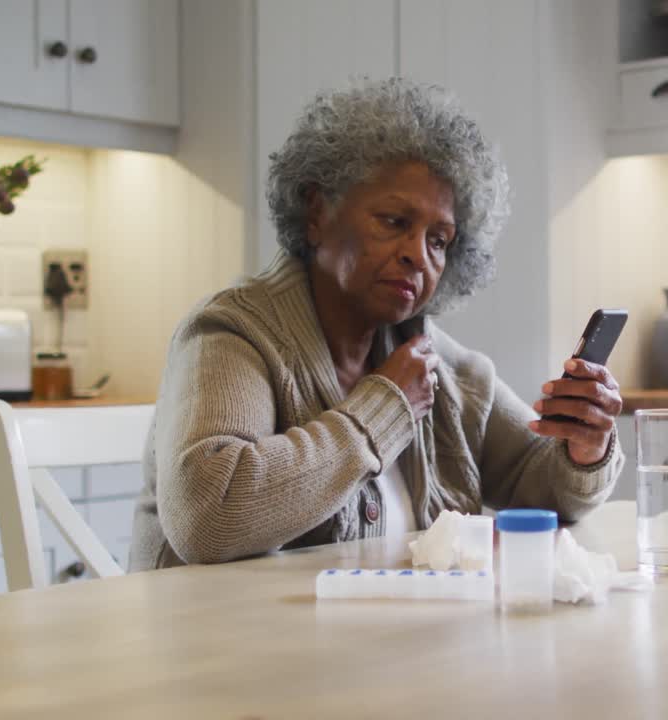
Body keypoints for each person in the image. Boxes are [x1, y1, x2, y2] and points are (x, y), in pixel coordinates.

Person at [129, 78, 623, 571]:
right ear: (317, 212)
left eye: (439, 240)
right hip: (217, 644)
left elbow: (545, 487)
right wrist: (385, 409)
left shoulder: (437, 363)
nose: (417, 254)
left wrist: (584, 449)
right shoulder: (232, 334)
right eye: (393, 222)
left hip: (376, 644)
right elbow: (208, 515)